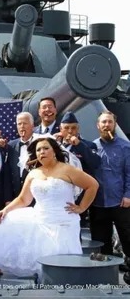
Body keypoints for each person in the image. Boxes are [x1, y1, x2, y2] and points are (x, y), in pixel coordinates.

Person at [0, 137, 98, 278]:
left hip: (63, 221)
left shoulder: (67, 170)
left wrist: (81, 208)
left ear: (54, 151)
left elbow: (92, 185)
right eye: (38, 150)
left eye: (46, 148)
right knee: (3, 224)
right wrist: (5, 210)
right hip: (39, 217)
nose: (42, 152)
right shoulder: (33, 173)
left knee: (60, 263)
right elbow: (23, 199)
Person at [90, 111, 130, 282]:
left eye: (109, 122)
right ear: (98, 126)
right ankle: (106, 273)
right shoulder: (91, 147)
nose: (106, 125)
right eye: (103, 122)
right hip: (98, 202)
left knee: (127, 237)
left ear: (114, 124)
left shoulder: (125, 147)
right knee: (100, 240)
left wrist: (128, 195)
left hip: (120, 202)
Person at [55, 111, 101, 227]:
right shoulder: (55, 146)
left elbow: (95, 163)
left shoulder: (88, 145)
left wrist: (79, 145)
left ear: (78, 128)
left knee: (76, 228)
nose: (70, 131)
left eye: (73, 128)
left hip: (78, 196)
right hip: (58, 194)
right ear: (60, 129)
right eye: (66, 128)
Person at [8, 112, 36, 198]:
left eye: (25, 123)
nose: (22, 126)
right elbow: (7, 174)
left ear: (32, 126)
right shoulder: (11, 145)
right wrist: (7, 198)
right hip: (16, 194)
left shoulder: (40, 144)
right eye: (19, 124)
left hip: (35, 193)